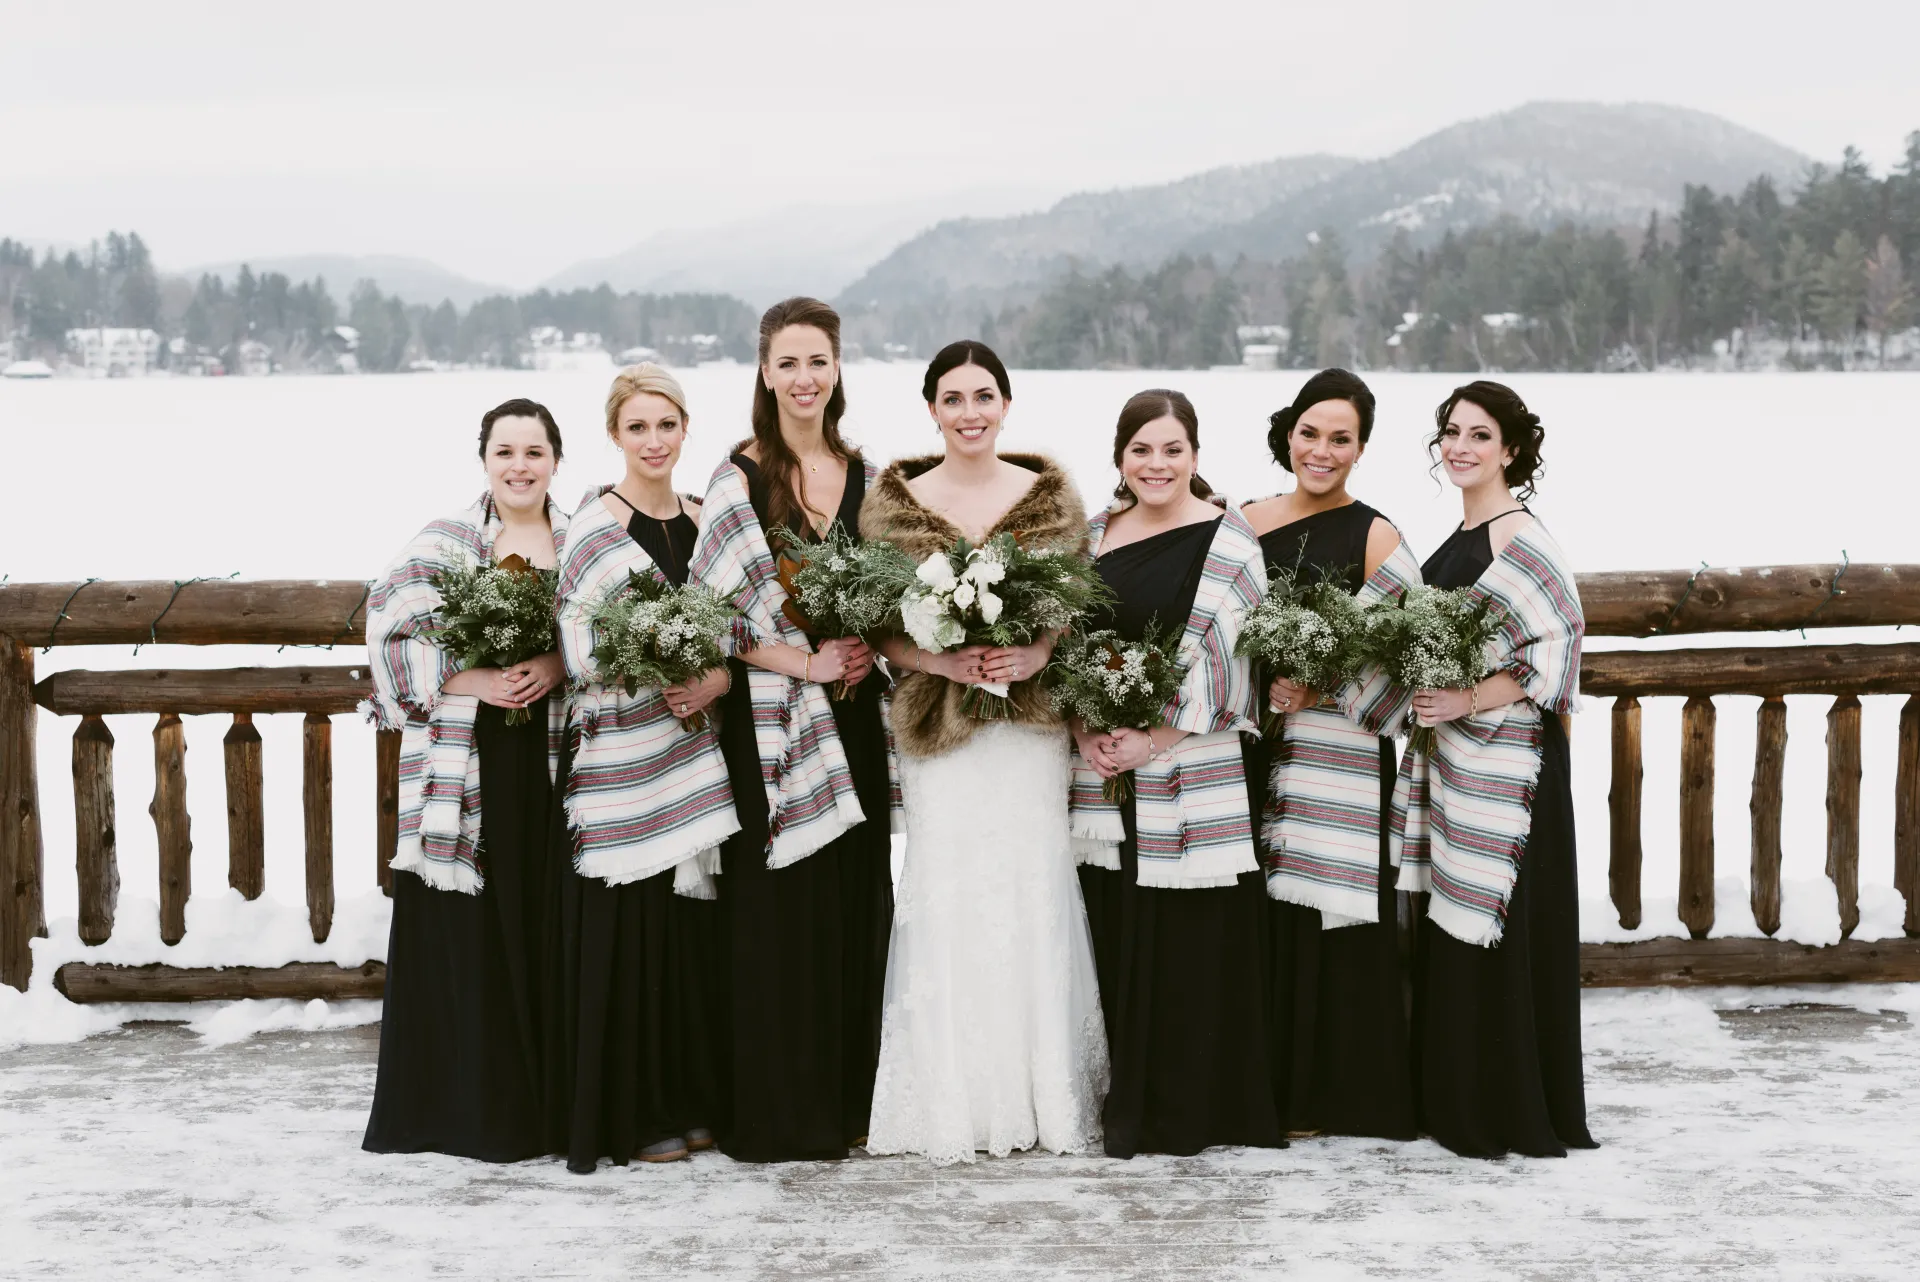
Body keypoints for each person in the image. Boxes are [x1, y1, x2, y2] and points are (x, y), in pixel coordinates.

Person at [859, 341, 1107, 1164]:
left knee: (1031, 883)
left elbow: (1073, 606)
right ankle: (949, 1097)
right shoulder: (893, 508)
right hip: (939, 732)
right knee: (946, 888)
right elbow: (877, 625)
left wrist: (1036, 654)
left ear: (1006, 404)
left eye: (984, 396)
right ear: (932, 409)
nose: (970, 413)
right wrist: (939, 663)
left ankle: (1040, 1092)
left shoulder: (1052, 502)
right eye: (954, 398)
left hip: (1028, 732)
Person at [687, 297, 894, 1162]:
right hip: (768, 730)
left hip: (853, 719)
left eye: (818, 361)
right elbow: (715, 617)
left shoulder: (869, 475)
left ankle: (850, 1106)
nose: (804, 378)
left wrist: (868, 646)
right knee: (774, 918)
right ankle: (776, 1115)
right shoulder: (737, 479)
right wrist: (807, 664)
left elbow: (895, 598)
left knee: (852, 905)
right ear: (765, 373)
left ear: (837, 369)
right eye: (788, 363)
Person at [1069, 389, 1282, 1158]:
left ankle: (1191, 1109)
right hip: (1101, 772)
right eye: (1141, 450)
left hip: (1194, 766)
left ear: (1195, 455)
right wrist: (1085, 726)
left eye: (1172, 450)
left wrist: (1154, 739)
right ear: (1119, 457)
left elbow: (1236, 663)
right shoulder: (1092, 537)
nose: (1156, 465)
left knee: (1189, 944)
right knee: (1113, 931)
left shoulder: (1231, 543)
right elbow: (1063, 645)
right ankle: (1120, 1099)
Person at [362, 398, 569, 1162]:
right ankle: (463, 1110)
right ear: (484, 460)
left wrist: (555, 663)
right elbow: (389, 634)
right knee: (471, 931)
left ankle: (546, 1107)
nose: (520, 466)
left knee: (544, 922)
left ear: (556, 461)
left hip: (556, 757)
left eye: (534, 452)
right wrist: (469, 677)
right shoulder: (446, 542)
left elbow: (605, 635)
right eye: (505, 451)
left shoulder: (581, 541)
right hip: (470, 759)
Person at [1392, 379, 1595, 1159]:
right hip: (1456, 762)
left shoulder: (1520, 537)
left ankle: (1506, 1107)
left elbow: (1557, 649)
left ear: (1510, 449)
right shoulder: (1460, 533)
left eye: (1479, 435)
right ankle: (1459, 1096)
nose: (1460, 447)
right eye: (1451, 432)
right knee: (1454, 919)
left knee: (1500, 925)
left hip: (1513, 768)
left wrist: (1466, 698)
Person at [548, 364, 741, 1172]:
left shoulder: (706, 519)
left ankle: (694, 1102)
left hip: (699, 751)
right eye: (637, 428)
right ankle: (635, 1114)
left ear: (685, 428)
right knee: (631, 938)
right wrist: (652, 665)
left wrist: (716, 678)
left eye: (666, 425)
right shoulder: (595, 526)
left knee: (689, 939)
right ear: (615, 435)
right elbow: (578, 643)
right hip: (621, 754)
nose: (653, 441)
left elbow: (739, 629)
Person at [1241, 368, 1421, 1141]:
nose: (1322, 450)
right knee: (1257, 917)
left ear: (1361, 449)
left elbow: (1405, 656)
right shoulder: (1243, 521)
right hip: (1252, 749)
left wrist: (1322, 688)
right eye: (1310, 434)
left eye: (1340, 439)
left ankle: (1340, 1093)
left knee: (1334, 926)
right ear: (1289, 435)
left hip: (1338, 755)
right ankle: (1264, 1086)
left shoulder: (1377, 536)